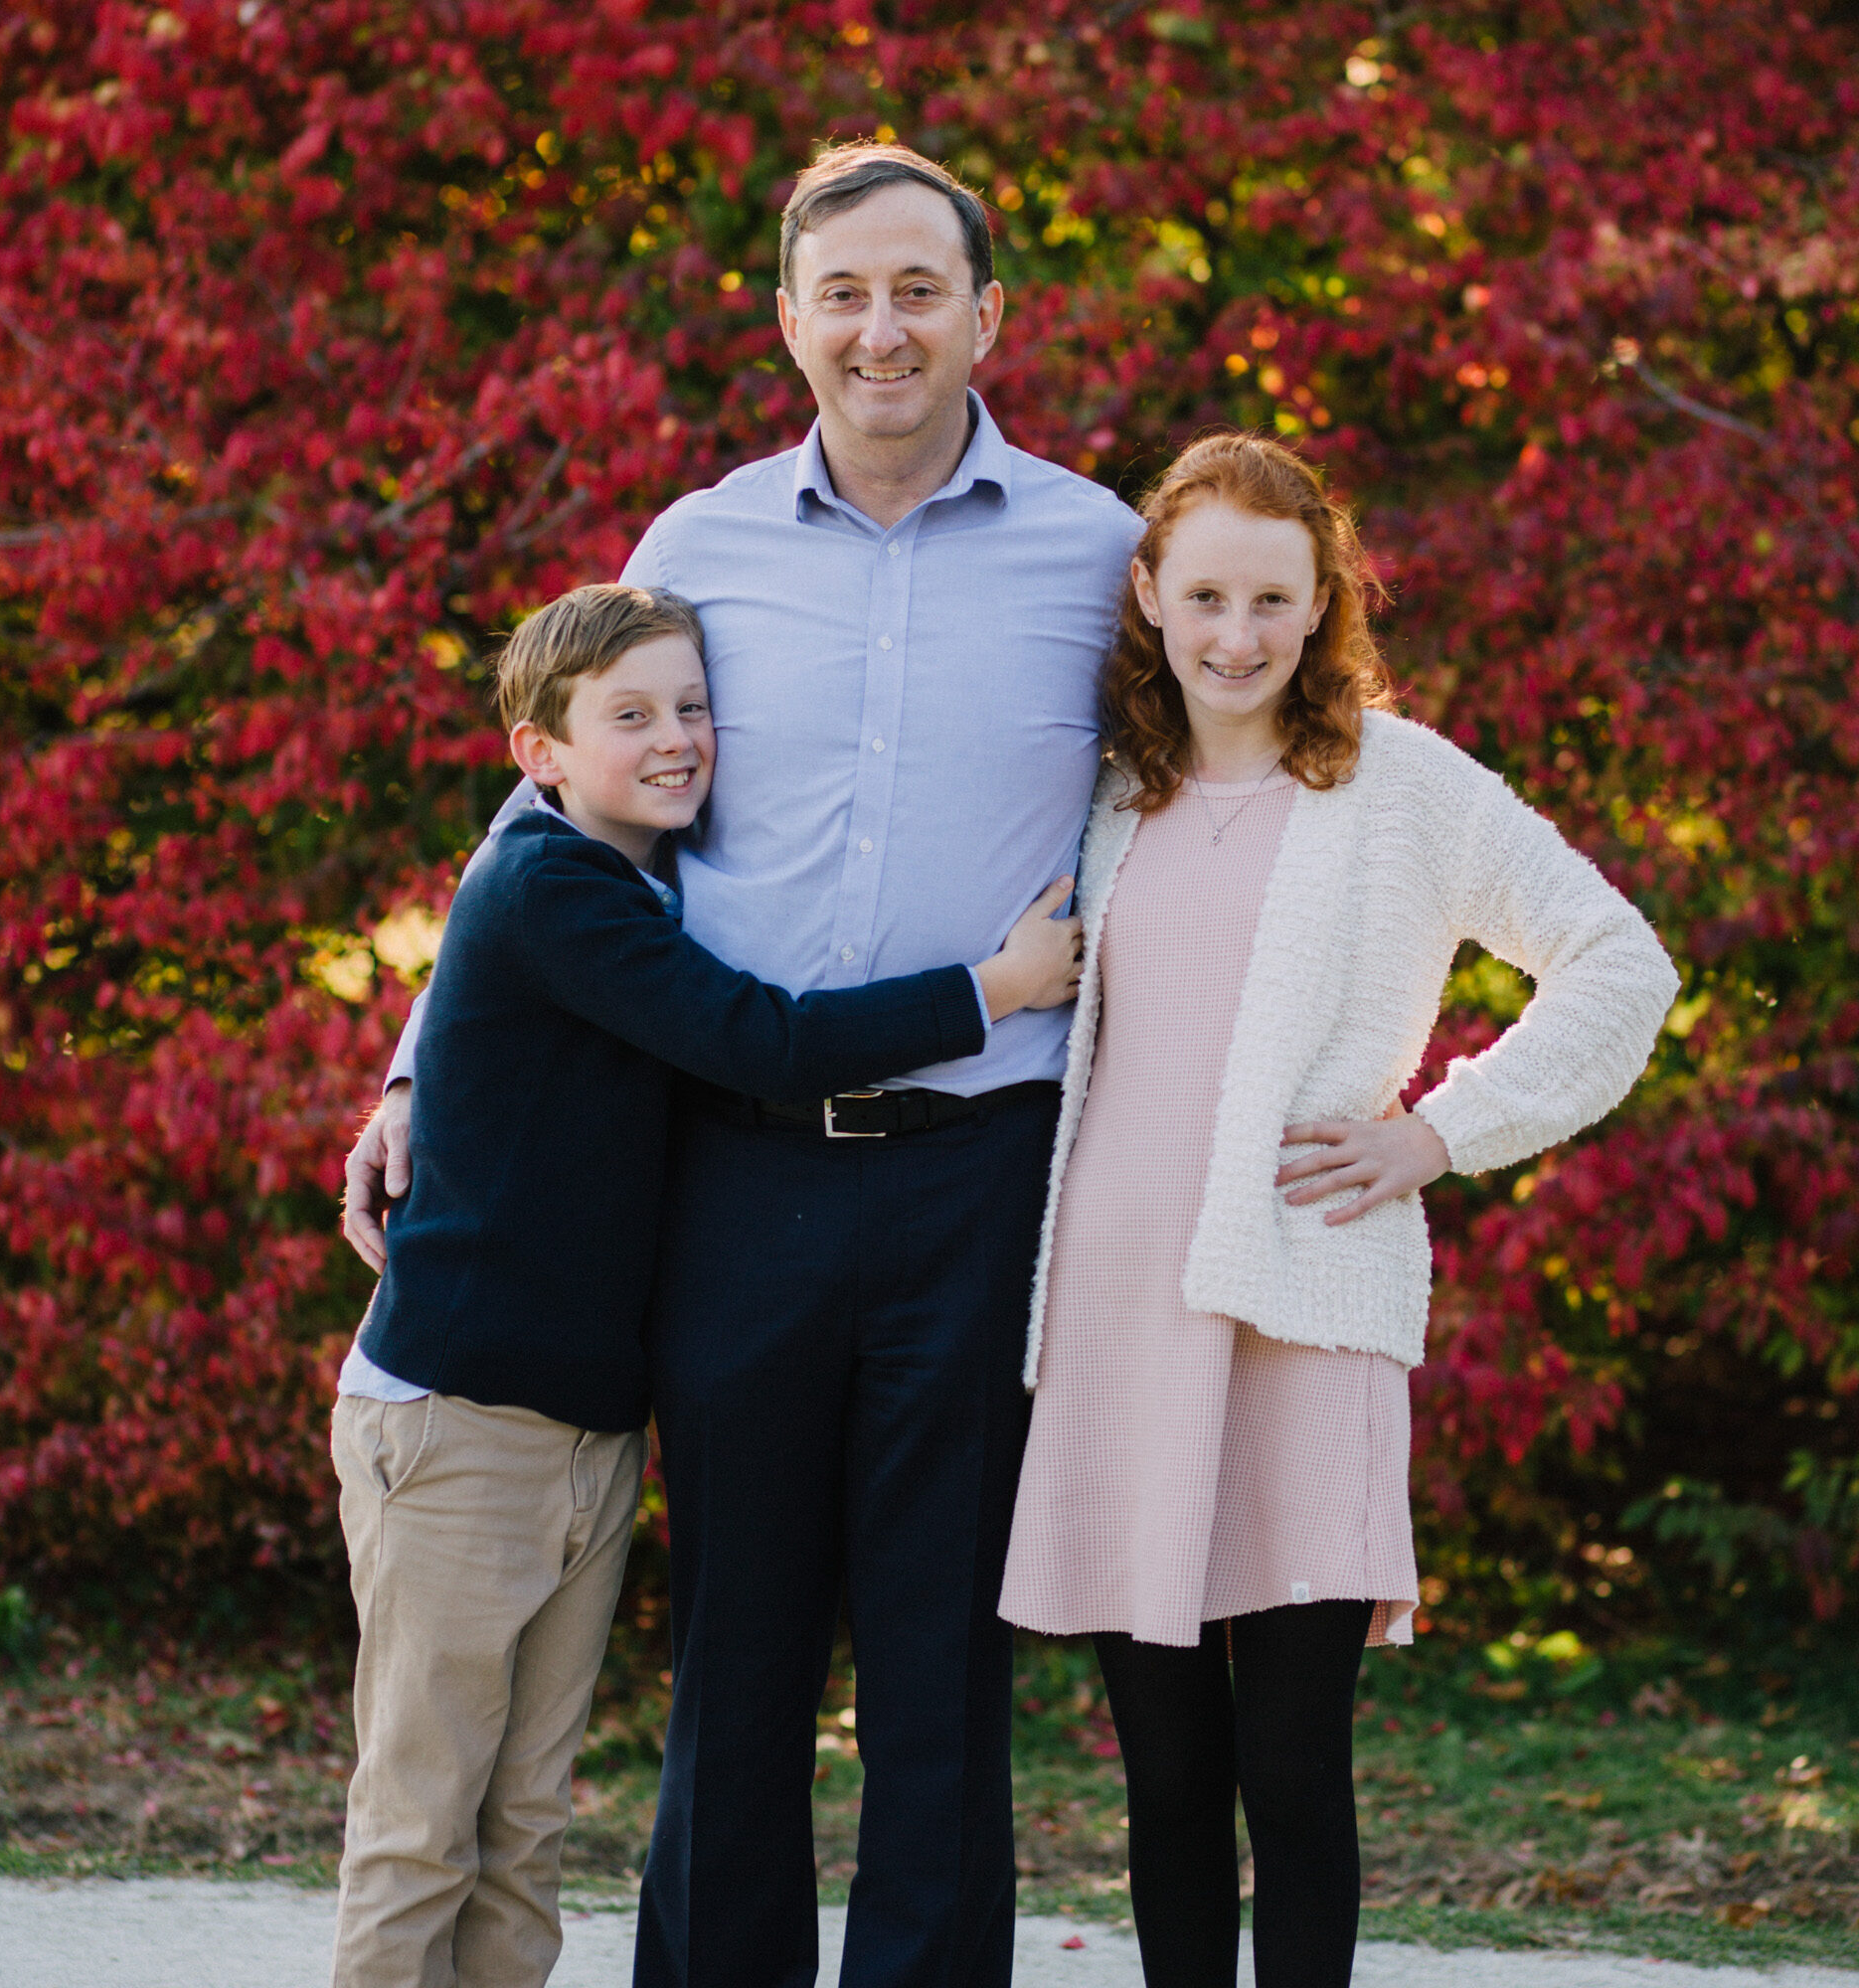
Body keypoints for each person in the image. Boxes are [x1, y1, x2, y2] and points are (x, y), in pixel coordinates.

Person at [341, 141, 1144, 1988]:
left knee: (939, 1654)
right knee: (739, 1643)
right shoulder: (693, 546)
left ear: (988, 316)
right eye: (842, 293)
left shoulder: (1100, 551)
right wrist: (409, 1079)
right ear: (789, 320)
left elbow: (1212, 789)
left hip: (980, 1170)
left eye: (919, 290)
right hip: (737, 1176)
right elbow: (551, 817)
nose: (883, 329)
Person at [997, 433, 1679, 1988]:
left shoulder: (1401, 786)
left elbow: (1620, 963)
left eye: (1274, 600)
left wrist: (1440, 1136)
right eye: (1207, 596)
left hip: (1303, 1310)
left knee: (1291, 1771)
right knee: (1166, 1777)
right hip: (1117, 1317)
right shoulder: (1111, 794)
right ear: (1153, 599)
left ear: (1323, 610)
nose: (1236, 636)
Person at [328, 580, 1080, 1988]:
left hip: (581, 1429)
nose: (676, 739)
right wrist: (999, 986)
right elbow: (763, 1039)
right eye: (629, 717)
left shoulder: (636, 877)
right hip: (457, 1425)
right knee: (424, 1822)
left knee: (526, 1817)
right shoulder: (553, 885)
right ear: (538, 755)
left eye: (690, 708)